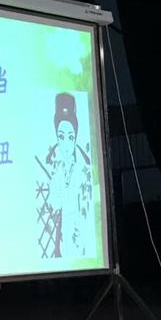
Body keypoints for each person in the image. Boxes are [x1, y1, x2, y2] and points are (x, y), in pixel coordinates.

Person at [38, 93, 93, 258]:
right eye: (61, 137)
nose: (66, 144)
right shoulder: (56, 169)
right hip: (62, 232)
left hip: (81, 232)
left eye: (71, 137)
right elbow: (53, 203)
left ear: (75, 137)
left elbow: (88, 207)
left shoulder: (85, 168)